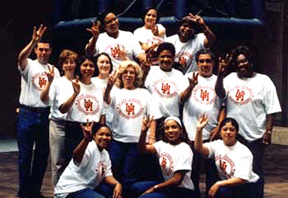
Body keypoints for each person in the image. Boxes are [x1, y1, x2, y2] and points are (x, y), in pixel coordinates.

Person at [215, 45, 282, 197]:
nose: (241, 65)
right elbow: (220, 94)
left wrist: (268, 131)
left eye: (244, 61)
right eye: (238, 63)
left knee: (254, 172)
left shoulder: (264, 81)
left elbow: (271, 109)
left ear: (250, 61)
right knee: (236, 172)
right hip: (235, 137)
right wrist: (220, 75)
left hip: (255, 137)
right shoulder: (230, 79)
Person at [17, 24, 60, 197]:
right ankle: (24, 191)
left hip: (45, 115)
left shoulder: (54, 71)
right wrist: (33, 40)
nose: (43, 52)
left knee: (42, 157)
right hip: (27, 114)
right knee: (25, 156)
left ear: (50, 52)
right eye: (40, 49)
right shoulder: (29, 65)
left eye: (46, 50)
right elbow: (20, 58)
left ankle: (35, 191)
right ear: (35, 51)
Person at [103, 60, 159, 196]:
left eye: (132, 73)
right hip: (117, 140)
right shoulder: (116, 92)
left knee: (130, 175)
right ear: (121, 75)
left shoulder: (144, 93)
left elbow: (153, 116)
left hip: (136, 142)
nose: (128, 75)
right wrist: (109, 87)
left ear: (136, 76)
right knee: (113, 171)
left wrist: (152, 137)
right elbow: (106, 100)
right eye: (125, 73)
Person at [180, 48, 223, 197]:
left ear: (213, 63)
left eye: (208, 61)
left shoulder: (219, 80)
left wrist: (219, 126)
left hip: (211, 135)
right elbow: (181, 99)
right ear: (197, 63)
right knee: (193, 172)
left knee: (212, 172)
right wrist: (191, 86)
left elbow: (224, 106)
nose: (205, 64)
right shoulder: (188, 77)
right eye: (201, 61)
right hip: (191, 134)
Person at [40, 49, 79, 187]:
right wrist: (49, 82)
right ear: (62, 66)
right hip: (58, 124)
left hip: (75, 125)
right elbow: (44, 100)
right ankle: (58, 192)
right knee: (58, 162)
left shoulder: (79, 82)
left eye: (72, 62)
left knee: (72, 160)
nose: (69, 65)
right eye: (66, 62)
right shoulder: (56, 82)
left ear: (75, 64)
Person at [195, 115, 259, 198]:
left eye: (231, 130)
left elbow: (241, 179)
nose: (228, 132)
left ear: (236, 133)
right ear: (220, 132)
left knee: (221, 191)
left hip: (247, 187)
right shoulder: (217, 144)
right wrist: (199, 130)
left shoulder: (243, 152)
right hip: (228, 184)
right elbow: (199, 149)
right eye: (225, 129)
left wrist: (218, 184)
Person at [132, 116, 197, 198]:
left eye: (174, 127)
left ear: (181, 130)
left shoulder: (184, 148)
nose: (170, 130)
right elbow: (143, 149)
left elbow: (177, 180)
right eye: (167, 128)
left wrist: (155, 188)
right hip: (168, 187)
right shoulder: (162, 144)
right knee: (136, 187)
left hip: (181, 191)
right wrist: (143, 132)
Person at [54, 120, 122, 198]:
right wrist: (86, 139)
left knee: (113, 193)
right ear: (94, 136)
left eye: (107, 135)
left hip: (88, 188)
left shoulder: (105, 154)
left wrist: (117, 184)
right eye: (101, 134)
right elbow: (76, 156)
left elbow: (107, 175)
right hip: (71, 190)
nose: (104, 137)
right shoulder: (90, 147)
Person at [58, 55, 105, 166]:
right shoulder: (71, 84)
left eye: (91, 66)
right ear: (79, 67)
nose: (88, 68)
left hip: (94, 130)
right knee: (73, 164)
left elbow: (102, 113)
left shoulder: (98, 88)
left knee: (92, 164)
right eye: (85, 65)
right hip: (75, 129)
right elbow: (63, 109)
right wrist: (75, 94)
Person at [143, 42, 188, 141]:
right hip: (154, 121)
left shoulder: (179, 75)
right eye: (162, 56)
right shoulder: (150, 71)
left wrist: (191, 86)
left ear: (173, 58)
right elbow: (141, 89)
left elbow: (182, 98)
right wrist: (144, 73)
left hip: (172, 121)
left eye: (169, 56)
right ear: (158, 58)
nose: (166, 59)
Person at [91, 52, 114, 129]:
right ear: (96, 64)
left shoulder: (116, 82)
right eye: (102, 62)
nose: (104, 65)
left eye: (107, 62)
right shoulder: (91, 81)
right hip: (95, 121)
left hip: (113, 121)